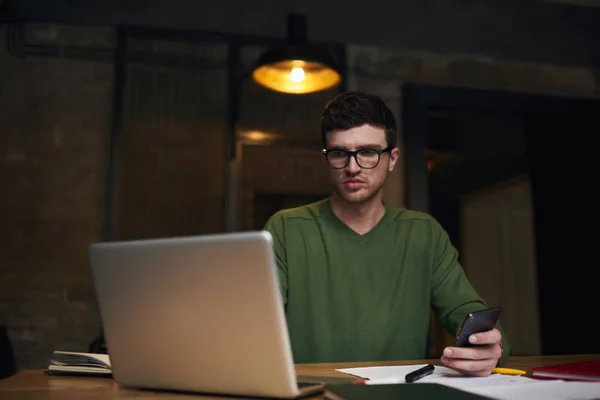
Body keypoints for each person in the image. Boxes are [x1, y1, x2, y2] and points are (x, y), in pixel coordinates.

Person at [263, 90, 510, 376]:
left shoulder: (423, 234)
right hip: (313, 392)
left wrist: (489, 347)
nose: (352, 167)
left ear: (392, 158)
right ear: (326, 158)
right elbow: (257, 321)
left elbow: (467, 311)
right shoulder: (285, 228)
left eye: (368, 152)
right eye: (340, 153)